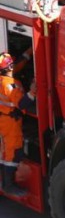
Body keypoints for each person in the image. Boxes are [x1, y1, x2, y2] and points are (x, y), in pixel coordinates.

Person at [0, 52, 27, 196]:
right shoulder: (9, 85)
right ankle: (8, 185)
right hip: (10, 123)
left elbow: (20, 64)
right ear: (9, 67)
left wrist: (29, 52)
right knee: (13, 153)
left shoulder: (3, 79)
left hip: (4, 120)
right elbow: (22, 103)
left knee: (4, 151)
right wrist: (33, 93)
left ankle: (4, 182)